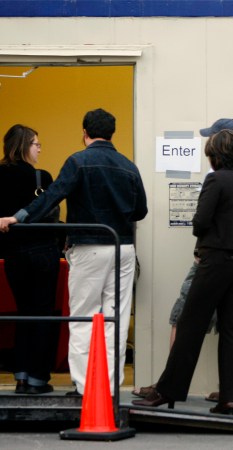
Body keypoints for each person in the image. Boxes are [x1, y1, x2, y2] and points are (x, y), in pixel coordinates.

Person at [0, 109, 148, 397]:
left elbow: (53, 196)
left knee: (83, 317)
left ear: (84, 133)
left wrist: (18, 217)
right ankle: (110, 387)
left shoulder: (78, 161)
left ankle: (84, 387)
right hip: (124, 248)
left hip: (89, 248)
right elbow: (140, 210)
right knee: (114, 319)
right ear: (112, 133)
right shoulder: (129, 166)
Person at [132, 119, 233, 407]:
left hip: (216, 259)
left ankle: (168, 391)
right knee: (231, 327)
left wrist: (205, 236)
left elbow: (200, 221)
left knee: (190, 323)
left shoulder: (216, 179)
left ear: (215, 156)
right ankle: (230, 398)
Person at [0, 125, 61, 395]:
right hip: (42, 251)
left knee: (23, 313)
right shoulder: (41, 177)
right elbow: (52, 213)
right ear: (24, 145)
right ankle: (37, 378)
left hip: (12, 255)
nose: (39, 148)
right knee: (42, 314)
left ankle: (20, 375)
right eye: (36, 143)